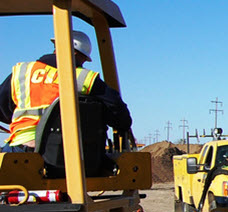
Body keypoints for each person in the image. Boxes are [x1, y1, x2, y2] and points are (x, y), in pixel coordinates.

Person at [0, 30, 132, 149]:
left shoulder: (23, 72)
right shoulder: (84, 77)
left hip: (22, 149)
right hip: (69, 153)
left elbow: (2, 108)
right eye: (83, 59)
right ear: (74, 53)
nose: (82, 64)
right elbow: (119, 113)